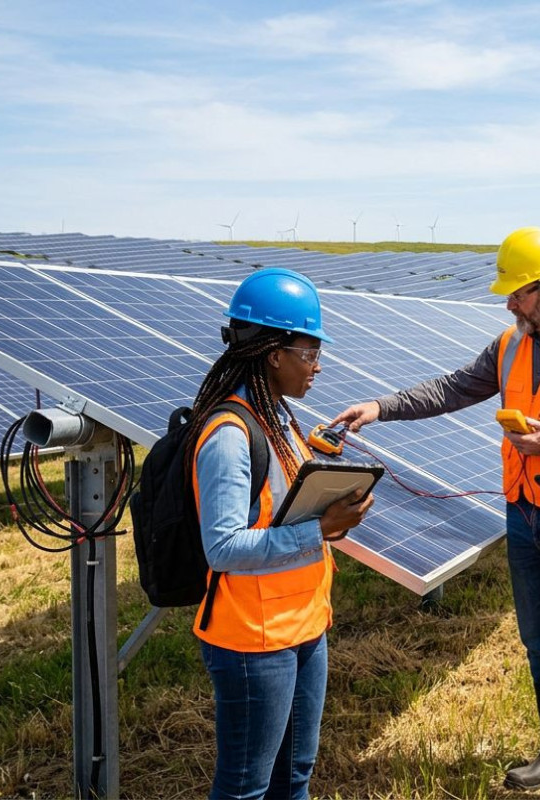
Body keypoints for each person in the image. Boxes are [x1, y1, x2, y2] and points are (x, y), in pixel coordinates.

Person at [332, 226, 540, 800]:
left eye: (517, 293)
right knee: (538, 639)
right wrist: (380, 407)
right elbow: (452, 389)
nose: (509, 304)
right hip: (523, 511)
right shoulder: (509, 345)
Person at [189, 267, 373, 800]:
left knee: (293, 779)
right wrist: (320, 529)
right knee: (246, 788)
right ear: (274, 354)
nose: (318, 365)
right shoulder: (230, 434)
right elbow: (223, 547)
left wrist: (333, 505)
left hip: (304, 627)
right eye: (310, 352)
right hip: (254, 639)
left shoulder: (282, 420)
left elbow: (284, 508)